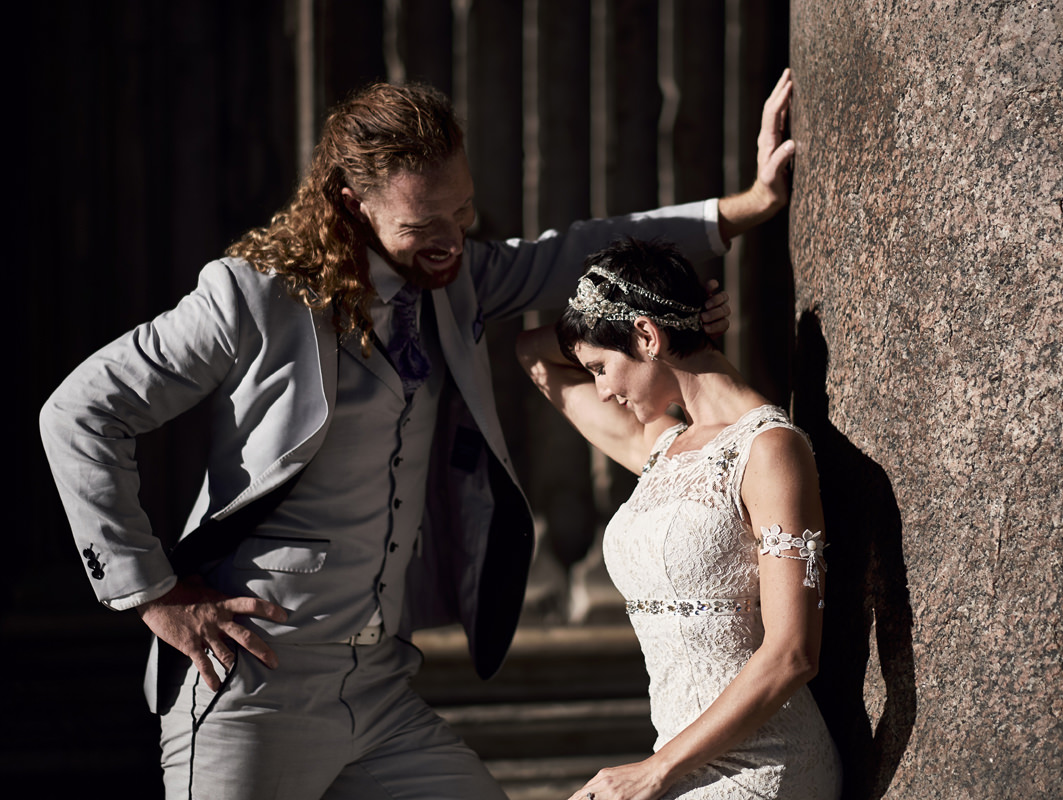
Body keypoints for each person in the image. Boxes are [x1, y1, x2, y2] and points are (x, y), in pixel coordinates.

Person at [39, 70, 795, 799]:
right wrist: (153, 594)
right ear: (349, 204)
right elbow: (78, 412)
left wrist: (743, 209)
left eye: (462, 215)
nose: (451, 243)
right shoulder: (253, 297)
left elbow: (569, 252)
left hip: (380, 690)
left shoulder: (454, 279)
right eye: (422, 226)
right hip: (253, 684)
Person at [515, 237, 842, 799]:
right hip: (675, 761)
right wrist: (680, 319)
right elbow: (531, 352)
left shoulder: (770, 450)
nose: (601, 389)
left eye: (599, 367)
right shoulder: (661, 447)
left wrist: (652, 771)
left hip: (764, 766)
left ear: (645, 337)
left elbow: (792, 655)